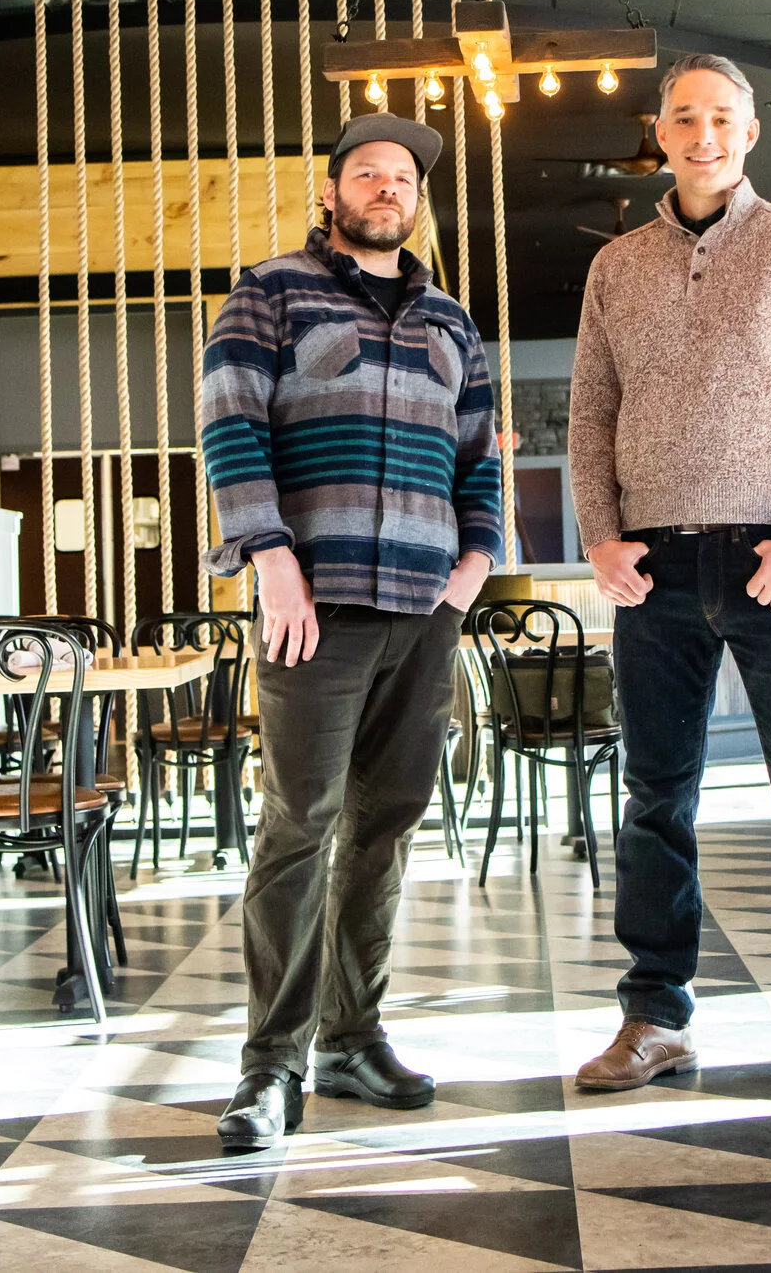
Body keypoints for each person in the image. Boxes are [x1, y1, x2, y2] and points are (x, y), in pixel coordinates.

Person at [566, 53, 771, 1096]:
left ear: (749, 133)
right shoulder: (616, 264)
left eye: (720, 117)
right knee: (654, 798)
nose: (702, 134)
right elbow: (590, 413)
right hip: (652, 565)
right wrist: (600, 534)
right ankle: (655, 1015)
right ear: (659, 133)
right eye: (683, 117)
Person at [199, 111, 501, 1149]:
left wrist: (474, 563)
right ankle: (270, 1064)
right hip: (312, 604)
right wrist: (271, 559)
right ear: (330, 191)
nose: (387, 188)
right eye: (367, 172)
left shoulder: (451, 323)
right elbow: (230, 423)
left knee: (387, 824)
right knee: (299, 824)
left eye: (403, 177)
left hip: (423, 607)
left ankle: (351, 1036)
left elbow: (478, 454)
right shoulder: (270, 291)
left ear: (417, 200)